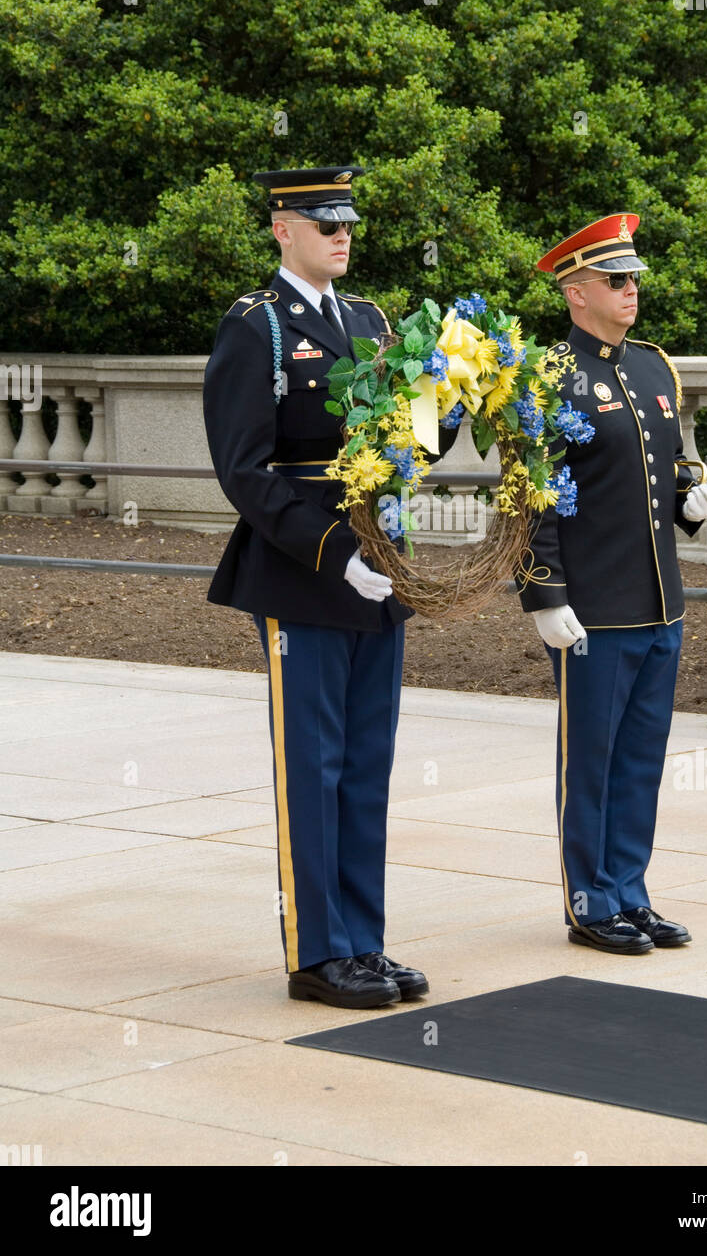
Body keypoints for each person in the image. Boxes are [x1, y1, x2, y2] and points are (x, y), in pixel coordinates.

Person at [203, 164, 433, 1008]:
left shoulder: (372, 321)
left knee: (366, 765)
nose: (341, 235)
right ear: (281, 231)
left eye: (347, 222)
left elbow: (403, 439)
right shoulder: (256, 328)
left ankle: (362, 944)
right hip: (307, 576)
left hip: (381, 572)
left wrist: (448, 401)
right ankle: (316, 954)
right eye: (323, 222)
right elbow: (244, 470)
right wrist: (335, 550)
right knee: (316, 766)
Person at [517, 213, 707, 954]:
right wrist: (544, 594)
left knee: (639, 760)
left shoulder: (651, 366)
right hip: (591, 608)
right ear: (576, 293)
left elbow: (668, 467)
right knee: (593, 762)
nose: (630, 288)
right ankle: (589, 900)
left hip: (658, 601)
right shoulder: (546, 377)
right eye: (615, 280)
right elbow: (530, 494)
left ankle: (630, 893)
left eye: (632, 277)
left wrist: (691, 502)